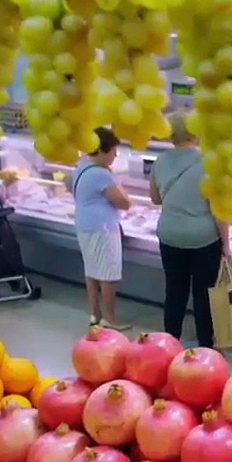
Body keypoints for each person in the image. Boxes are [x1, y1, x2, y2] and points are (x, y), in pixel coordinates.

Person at [150, 111, 230, 346]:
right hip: (202, 238)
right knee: (203, 294)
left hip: (169, 234)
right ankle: (205, 345)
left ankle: (169, 343)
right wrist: (226, 244)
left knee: (174, 291)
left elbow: (155, 198)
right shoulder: (209, 162)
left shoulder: (160, 160)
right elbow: (218, 209)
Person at [72, 127, 133, 329]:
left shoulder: (80, 167)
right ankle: (110, 318)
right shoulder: (100, 174)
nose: (115, 157)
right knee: (109, 273)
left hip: (83, 224)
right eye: (113, 152)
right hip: (102, 227)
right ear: (102, 150)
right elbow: (123, 203)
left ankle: (95, 314)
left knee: (91, 270)